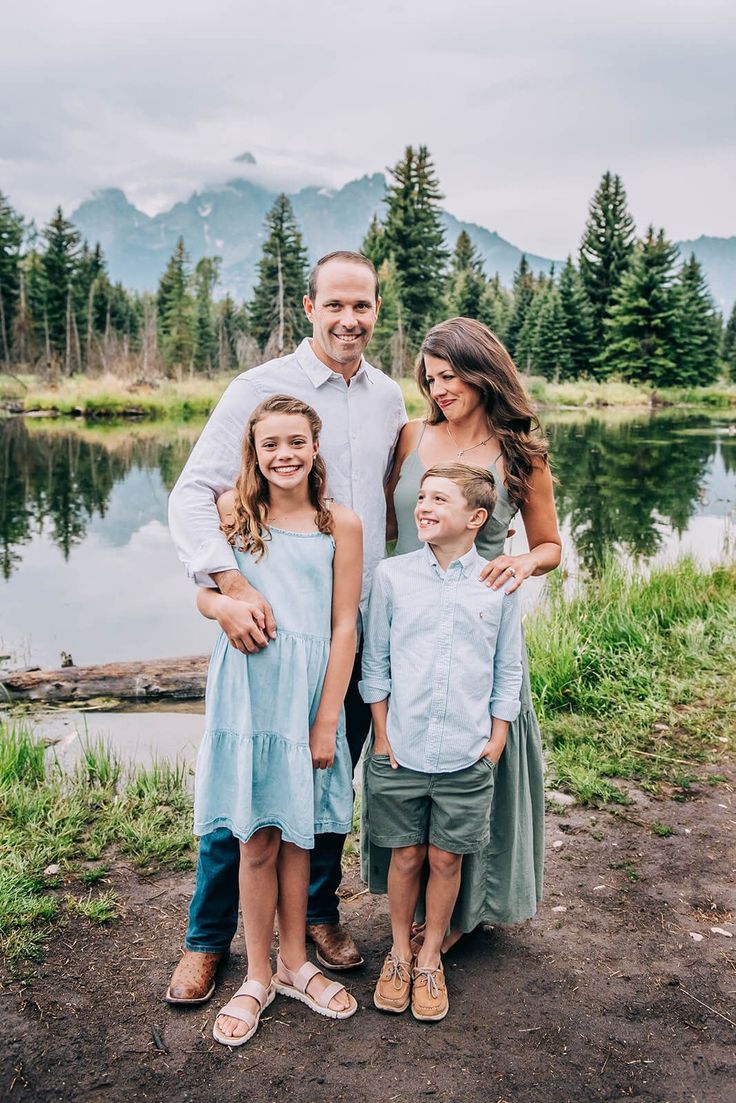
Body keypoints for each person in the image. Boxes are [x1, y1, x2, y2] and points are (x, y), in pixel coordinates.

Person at [166, 251, 406, 1004]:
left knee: (327, 779)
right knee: (245, 789)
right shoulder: (259, 389)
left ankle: (318, 916)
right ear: (309, 307)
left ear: (375, 308)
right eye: (334, 304)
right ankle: (209, 940)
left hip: (349, 625)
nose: (349, 319)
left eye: (362, 306)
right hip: (270, 632)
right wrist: (228, 586)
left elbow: (382, 503)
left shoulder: (389, 397)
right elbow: (193, 495)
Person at [362, 316, 562, 947]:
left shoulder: (520, 453)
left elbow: (550, 545)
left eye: (450, 375)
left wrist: (525, 562)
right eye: (431, 375)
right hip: (409, 626)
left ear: (483, 371)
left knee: (476, 763)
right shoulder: (411, 437)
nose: (439, 386)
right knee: (409, 758)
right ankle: (410, 909)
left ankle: (465, 911)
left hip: (480, 629)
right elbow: (389, 527)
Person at [194, 395, 362, 1045]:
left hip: (308, 697)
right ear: (253, 452)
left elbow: (344, 626)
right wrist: (217, 607)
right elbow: (203, 590)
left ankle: (296, 962)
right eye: (270, 444)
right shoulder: (235, 512)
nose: (284, 454)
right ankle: (257, 974)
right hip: (249, 692)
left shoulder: (339, 524)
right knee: (256, 838)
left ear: (316, 448)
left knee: (301, 835)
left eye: (297, 441)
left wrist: (328, 720)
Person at [361, 463, 522, 1020]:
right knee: (404, 855)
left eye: (439, 499)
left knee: (446, 859)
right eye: (422, 496)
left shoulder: (497, 583)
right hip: (401, 747)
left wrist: (496, 739)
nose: (423, 507)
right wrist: (382, 736)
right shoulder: (393, 576)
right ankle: (400, 954)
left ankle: (431, 956)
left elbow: (508, 668)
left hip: (466, 751)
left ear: (476, 518)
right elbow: (376, 662)